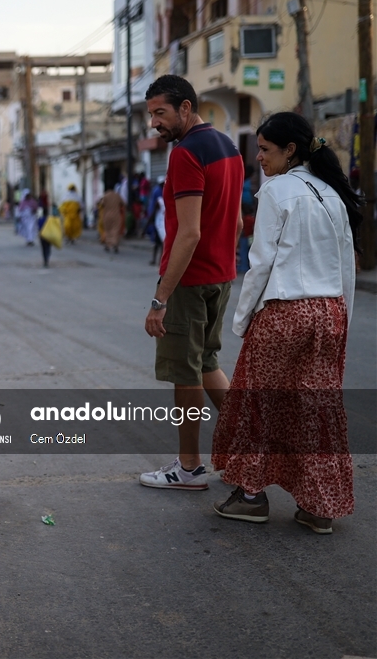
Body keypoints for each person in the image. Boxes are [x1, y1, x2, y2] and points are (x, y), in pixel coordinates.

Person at [211, 113, 360, 533]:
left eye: (265, 150)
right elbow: (346, 265)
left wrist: (241, 322)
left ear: (290, 150)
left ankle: (252, 497)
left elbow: (259, 265)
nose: (258, 158)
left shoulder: (277, 191)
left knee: (260, 405)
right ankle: (319, 508)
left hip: (284, 314)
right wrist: (343, 317)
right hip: (329, 313)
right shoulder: (332, 193)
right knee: (317, 411)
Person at [140, 74, 243, 490]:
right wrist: (222, 262)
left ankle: (189, 468)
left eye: (160, 113)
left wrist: (160, 298)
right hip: (221, 276)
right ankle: (253, 448)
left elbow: (189, 232)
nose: (154, 123)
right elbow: (235, 221)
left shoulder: (185, 154)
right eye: (150, 115)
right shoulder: (228, 147)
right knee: (207, 365)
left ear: (185, 108)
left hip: (189, 281)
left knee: (186, 373)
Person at [145, 175, 166, 265]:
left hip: (163, 224)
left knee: (161, 243)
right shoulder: (159, 197)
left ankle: (159, 261)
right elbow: (153, 211)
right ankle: (157, 261)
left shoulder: (164, 196)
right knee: (159, 243)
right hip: (159, 224)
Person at [98, 189, 124, 253]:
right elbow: (122, 203)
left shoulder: (105, 196)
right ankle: (115, 245)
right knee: (115, 230)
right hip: (116, 215)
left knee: (108, 230)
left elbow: (101, 204)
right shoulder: (117, 195)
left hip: (107, 216)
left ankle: (108, 245)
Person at [36, 198, 53, 268]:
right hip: (48, 236)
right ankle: (47, 259)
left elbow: (38, 227)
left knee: (43, 248)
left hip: (42, 236)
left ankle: (45, 260)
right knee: (48, 248)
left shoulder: (40, 219)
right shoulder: (50, 219)